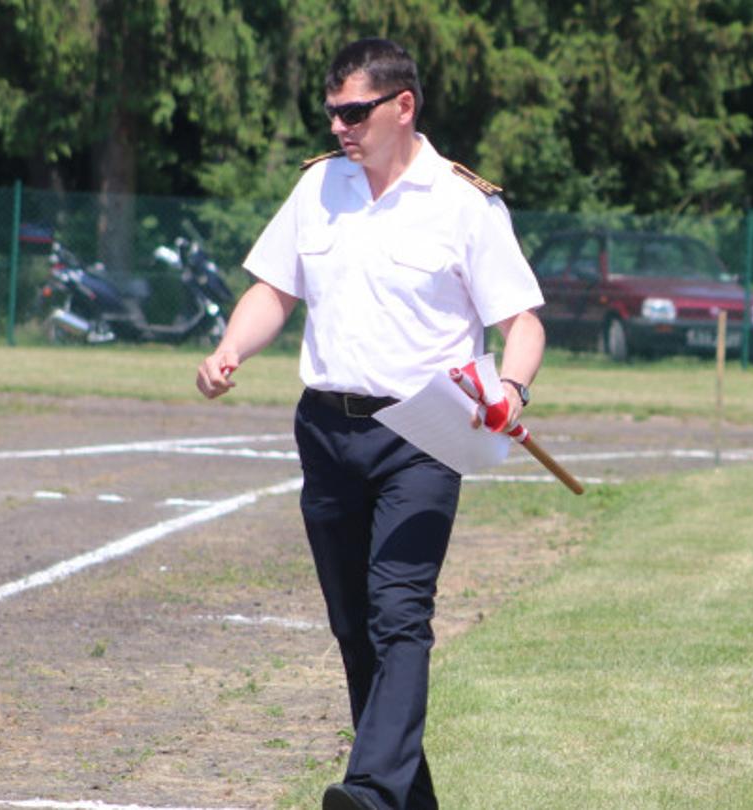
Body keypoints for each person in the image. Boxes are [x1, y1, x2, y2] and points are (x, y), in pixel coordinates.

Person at [194, 38, 545, 810]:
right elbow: (273, 292)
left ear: (403, 106)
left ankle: (372, 792)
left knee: (397, 614)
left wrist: (511, 388)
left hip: (425, 435)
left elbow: (523, 323)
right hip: (325, 429)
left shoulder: (464, 204)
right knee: (354, 626)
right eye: (332, 114)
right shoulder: (320, 189)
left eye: (355, 112)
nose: (340, 128)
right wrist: (229, 348)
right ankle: (402, 801)